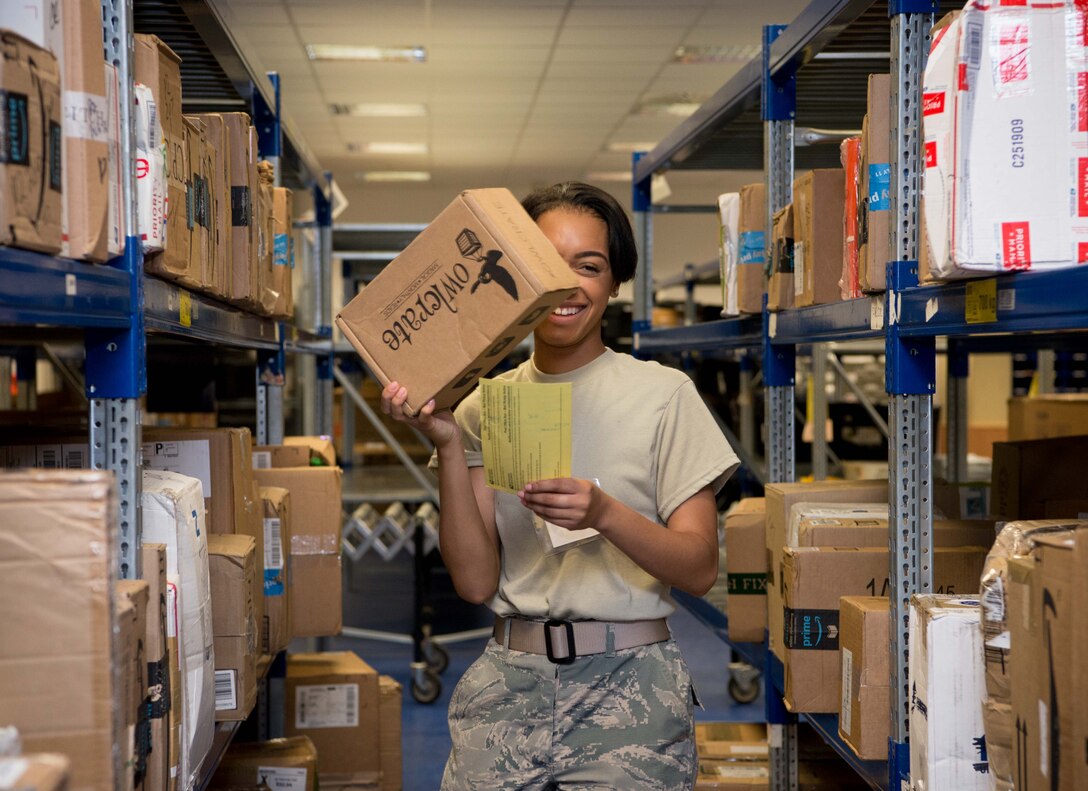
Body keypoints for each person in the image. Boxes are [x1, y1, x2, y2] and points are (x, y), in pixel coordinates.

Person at [381, 181, 739, 790]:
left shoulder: (663, 397)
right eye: (548, 264)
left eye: (590, 266)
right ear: (520, 273)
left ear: (615, 283)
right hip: (506, 686)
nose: (569, 286)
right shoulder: (485, 406)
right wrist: (446, 443)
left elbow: (700, 567)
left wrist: (604, 512)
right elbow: (473, 582)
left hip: (631, 692)